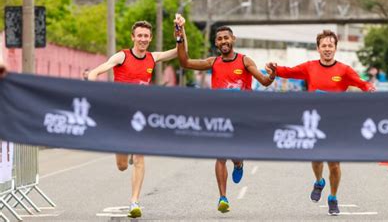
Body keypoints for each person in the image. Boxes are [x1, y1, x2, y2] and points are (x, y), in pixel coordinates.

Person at [265, 30, 375, 216]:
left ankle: (333, 198)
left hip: (335, 123)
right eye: (323, 46)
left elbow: (362, 83)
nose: (327, 49)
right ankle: (319, 182)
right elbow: (289, 72)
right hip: (314, 123)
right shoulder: (309, 67)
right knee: (316, 159)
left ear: (335, 48)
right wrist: (274, 69)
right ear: (318, 48)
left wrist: (370, 88)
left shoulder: (344, 70)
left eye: (330, 45)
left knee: (334, 163)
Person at [87, 18, 185, 218]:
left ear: (150, 38)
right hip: (119, 115)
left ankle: (134, 202)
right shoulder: (121, 56)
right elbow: (96, 72)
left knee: (140, 157)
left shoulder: (152, 57)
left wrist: (180, 29)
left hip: (140, 116)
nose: (143, 39)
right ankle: (125, 153)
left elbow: (179, 51)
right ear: (133, 37)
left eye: (146, 36)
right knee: (122, 166)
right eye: (139, 35)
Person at [174, 21, 275, 214]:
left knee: (235, 155)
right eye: (219, 39)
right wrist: (180, 36)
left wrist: (272, 76)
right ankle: (223, 197)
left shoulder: (245, 61)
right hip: (219, 118)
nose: (223, 41)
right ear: (216, 42)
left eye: (226, 38)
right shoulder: (213, 62)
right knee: (220, 155)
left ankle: (238, 162)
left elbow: (264, 81)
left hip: (242, 118)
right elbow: (184, 62)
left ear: (233, 39)